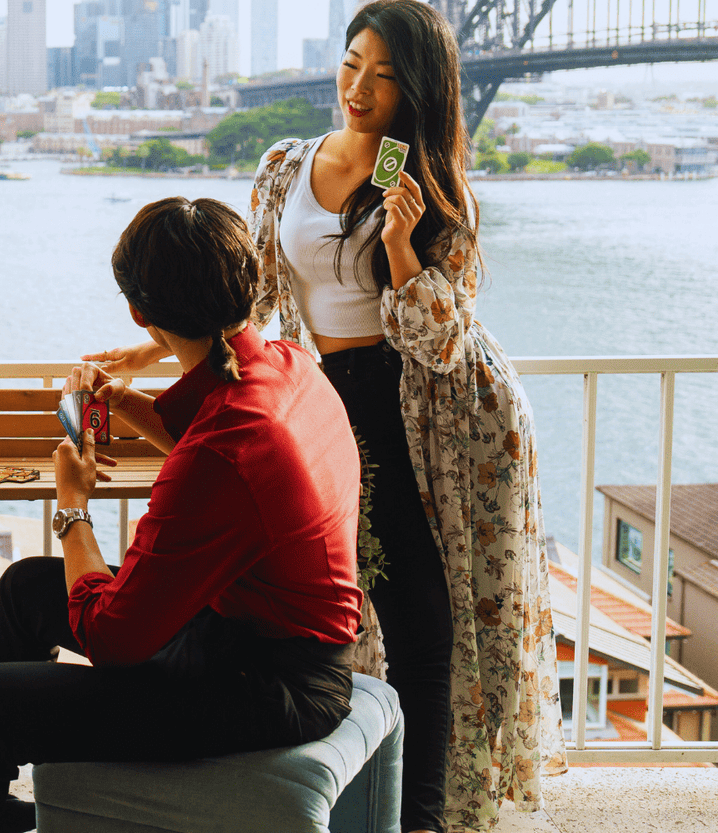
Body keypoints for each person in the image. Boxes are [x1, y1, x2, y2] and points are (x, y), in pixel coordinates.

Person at [82, 3, 565, 831]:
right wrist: (148, 350)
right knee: (352, 609)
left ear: (416, 90)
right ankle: (366, 793)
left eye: (383, 76)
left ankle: (423, 815)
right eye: (351, 64)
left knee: (424, 614)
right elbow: (253, 301)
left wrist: (407, 247)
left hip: (434, 413)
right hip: (326, 396)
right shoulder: (284, 168)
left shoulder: (433, 191)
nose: (359, 88)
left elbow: (440, 342)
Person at [0, 196, 364, 833]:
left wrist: (72, 507)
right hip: (252, 639)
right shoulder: (289, 366)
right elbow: (220, 452)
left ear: (138, 312)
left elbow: (112, 639)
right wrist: (122, 400)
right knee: (27, 588)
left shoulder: (224, 447)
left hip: (272, 686)